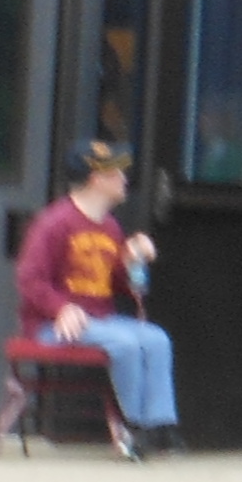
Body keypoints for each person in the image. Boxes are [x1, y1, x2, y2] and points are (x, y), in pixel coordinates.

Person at [13, 141, 174, 453]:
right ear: (96, 179)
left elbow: (120, 285)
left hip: (101, 321)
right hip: (52, 326)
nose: (125, 179)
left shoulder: (110, 226)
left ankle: (160, 425)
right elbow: (29, 280)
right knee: (125, 344)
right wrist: (60, 308)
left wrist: (132, 260)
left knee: (156, 339)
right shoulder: (55, 222)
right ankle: (134, 426)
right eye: (117, 173)